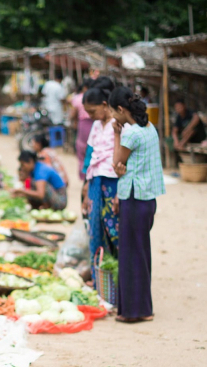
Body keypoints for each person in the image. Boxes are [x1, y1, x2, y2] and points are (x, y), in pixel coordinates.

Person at [110, 86, 166, 323]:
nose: (113, 116)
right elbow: (125, 167)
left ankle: (135, 311)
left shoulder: (131, 133)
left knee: (131, 255)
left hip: (134, 199)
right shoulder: (149, 128)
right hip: (147, 200)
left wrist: (116, 135)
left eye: (114, 112)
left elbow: (117, 163)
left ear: (121, 110)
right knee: (141, 254)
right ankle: (143, 307)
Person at [81, 81, 120, 261]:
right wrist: (86, 183)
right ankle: (99, 276)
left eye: (93, 111)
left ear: (105, 105)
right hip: (96, 180)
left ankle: (118, 273)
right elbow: (90, 154)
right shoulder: (97, 126)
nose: (91, 116)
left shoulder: (119, 124)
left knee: (115, 228)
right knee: (96, 226)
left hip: (113, 181)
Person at [70, 78, 95, 180]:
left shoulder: (78, 98)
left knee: (81, 150)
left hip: (83, 125)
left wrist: (74, 122)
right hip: (93, 124)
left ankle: (84, 175)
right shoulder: (96, 98)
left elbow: (72, 114)